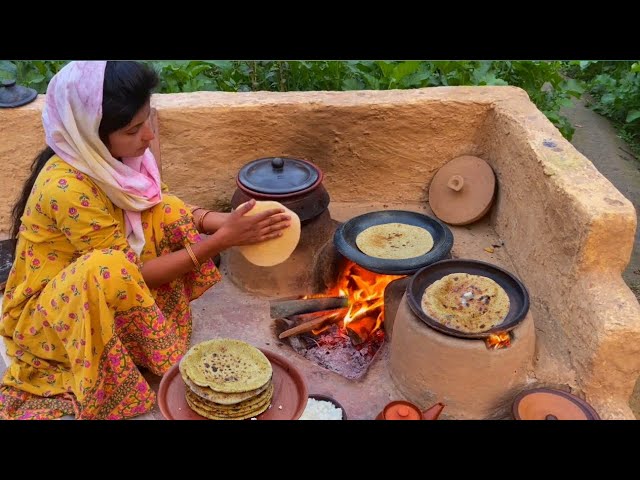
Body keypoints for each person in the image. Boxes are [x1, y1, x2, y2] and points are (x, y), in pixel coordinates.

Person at [0, 61, 291, 420]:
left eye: (147, 120)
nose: (148, 137)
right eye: (134, 129)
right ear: (91, 134)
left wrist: (227, 223)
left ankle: (137, 340)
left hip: (97, 285)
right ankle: (119, 362)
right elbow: (130, 274)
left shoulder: (117, 159)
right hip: (48, 315)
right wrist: (219, 243)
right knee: (107, 268)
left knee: (162, 210)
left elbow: (161, 205)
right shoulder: (67, 187)